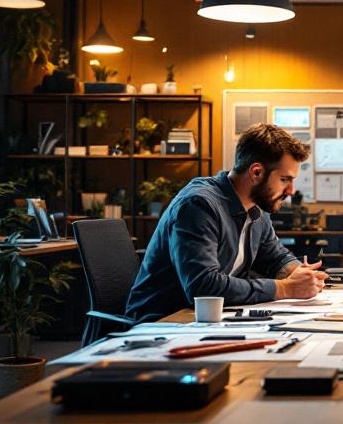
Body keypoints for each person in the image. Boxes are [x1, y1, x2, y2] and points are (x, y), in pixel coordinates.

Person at [125, 123, 328, 322]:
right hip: (162, 323)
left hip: (207, 321)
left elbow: (275, 258)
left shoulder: (256, 207)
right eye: (285, 179)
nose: (291, 191)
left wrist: (302, 275)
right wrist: (286, 288)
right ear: (256, 172)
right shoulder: (199, 205)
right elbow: (204, 287)